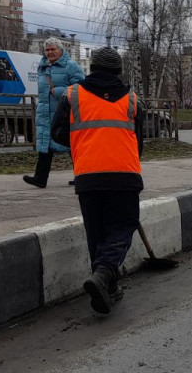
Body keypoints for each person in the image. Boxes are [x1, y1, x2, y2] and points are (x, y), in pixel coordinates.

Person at [50, 47, 144, 315]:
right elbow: (138, 143)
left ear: (91, 69)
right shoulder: (132, 100)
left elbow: (57, 133)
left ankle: (107, 289)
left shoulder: (72, 95)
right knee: (123, 227)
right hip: (125, 175)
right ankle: (103, 275)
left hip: (88, 176)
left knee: (97, 233)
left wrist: (84, 144)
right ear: (119, 72)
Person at [24, 37, 84, 188]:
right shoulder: (43, 67)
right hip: (46, 112)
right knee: (46, 145)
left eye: (53, 49)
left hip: (64, 114)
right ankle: (40, 178)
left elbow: (81, 89)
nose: (50, 52)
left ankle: (82, 176)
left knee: (72, 146)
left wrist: (59, 91)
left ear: (61, 50)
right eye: (47, 50)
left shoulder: (71, 66)